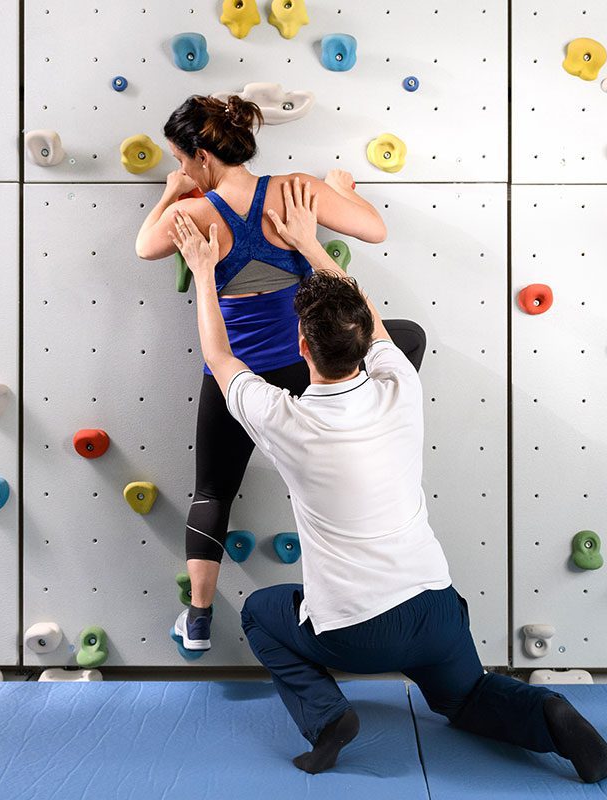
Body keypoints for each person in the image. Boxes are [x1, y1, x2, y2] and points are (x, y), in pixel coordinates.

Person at [168, 200, 607, 783]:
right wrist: (308, 243)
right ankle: (547, 716)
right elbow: (369, 317)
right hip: (436, 609)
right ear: (365, 345)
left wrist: (204, 273)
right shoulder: (399, 383)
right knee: (466, 697)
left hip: (357, 631)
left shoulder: (286, 418)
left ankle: (329, 720)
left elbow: (219, 357)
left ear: (302, 351)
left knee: (261, 612)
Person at [135, 95, 424, 657]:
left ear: (200, 156)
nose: (182, 170)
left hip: (238, 375)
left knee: (213, 490)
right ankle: (359, 412)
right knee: (403, 336)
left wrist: (172, 193)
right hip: (305, 366)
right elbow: (376, 230)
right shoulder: (295, 191)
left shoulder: (192, 215)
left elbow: (145, 246)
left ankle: (196, 619)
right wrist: (337, 192)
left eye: (181, 160)